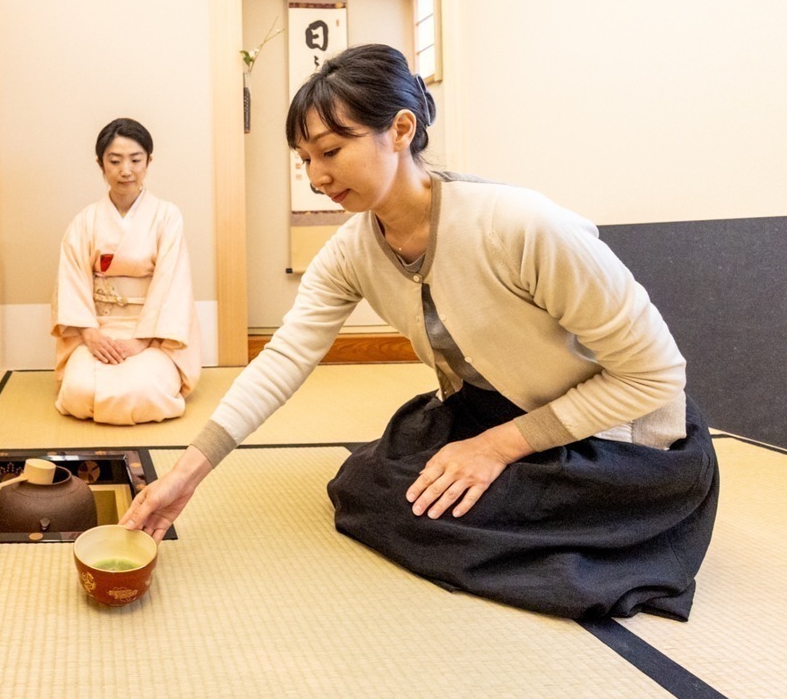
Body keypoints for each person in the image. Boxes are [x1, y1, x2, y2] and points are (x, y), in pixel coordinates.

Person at [121, 45, 718, 620]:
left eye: (331, 150)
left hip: (614, 436)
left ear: (401, 130)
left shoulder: (522, 226)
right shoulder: (353, 249)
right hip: (492, 407)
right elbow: (285, 357)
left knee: (441, 514)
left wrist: (496, 448)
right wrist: (185, 473)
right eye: (304, 159)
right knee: (365, 490)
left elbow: (656, 375)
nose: (316, 176)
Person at [51, 118, 203, 424]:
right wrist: (91, 335)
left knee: (143, 390)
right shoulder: (85, 222)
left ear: (148, 161)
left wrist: (142, 340)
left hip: (154, 334)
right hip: (98, 329)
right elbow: (71, 283)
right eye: (115, 160)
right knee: (80, 391)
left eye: (135, 160)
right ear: (100, 164)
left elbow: (172, 284)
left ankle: (153, 365)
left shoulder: (167, 216)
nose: (126, 170)